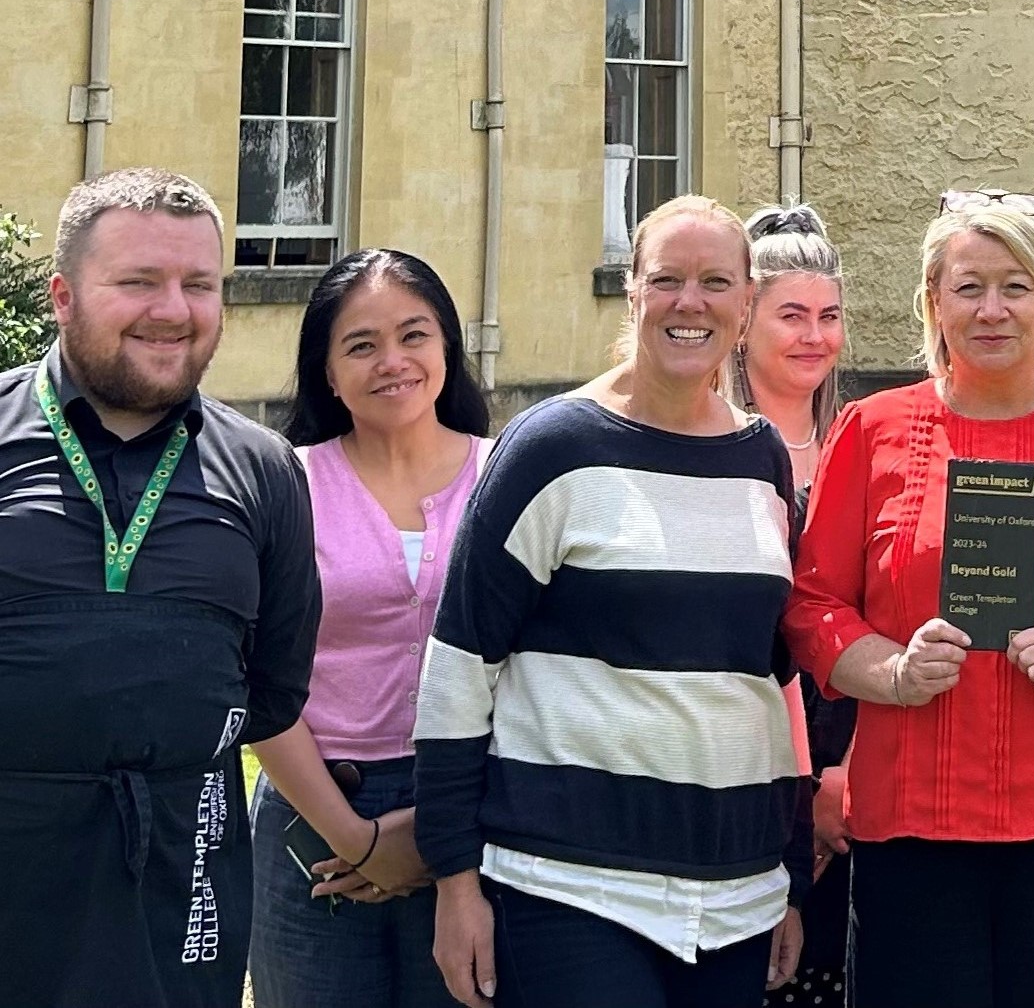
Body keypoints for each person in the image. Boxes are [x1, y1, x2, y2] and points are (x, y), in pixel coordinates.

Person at [782, 199, 1034, 1008]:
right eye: (969, 287)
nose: (993, 309)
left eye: (1016, 286)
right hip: (913, 829)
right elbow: (814, 605)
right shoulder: (871, 430)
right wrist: (892, 671)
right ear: (934, 301)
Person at [414, 195, 810, 1008]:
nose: (688, 302)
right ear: (632, 292)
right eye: (666, 279)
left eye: (714, 282)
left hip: (733, 895)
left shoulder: (761, 457)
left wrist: (787, 876)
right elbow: (459, 666)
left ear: (745, 303)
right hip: (570, 888)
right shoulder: (553, 449)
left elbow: (766, 684)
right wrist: (455, 881)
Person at [0, 167, 322, 1008]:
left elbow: (273, 689)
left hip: (183, 876)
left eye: (199, 284)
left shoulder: (264, 470)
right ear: (63, 295)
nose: (173, 310)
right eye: (138, 281)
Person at [247, 249, 492, 1008]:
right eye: (361, 344)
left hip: (476, 812)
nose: (393, 361)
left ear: (448, 345)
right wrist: (360, 840)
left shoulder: (509, 474)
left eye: (414, 335)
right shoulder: (285, 484)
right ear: (325, 371)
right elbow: (253, 677)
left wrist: (438, 830)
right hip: (313, 816)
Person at [733, 204, 852, 1008]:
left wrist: (849, 776)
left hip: (856, 784)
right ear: (742, 323)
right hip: (745, 776)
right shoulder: (714, 451)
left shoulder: (864, 442)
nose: (814, 335)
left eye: (830, 316)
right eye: (792, 315)